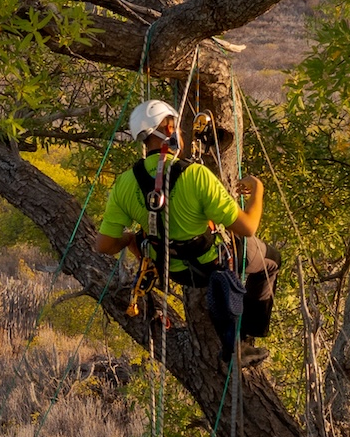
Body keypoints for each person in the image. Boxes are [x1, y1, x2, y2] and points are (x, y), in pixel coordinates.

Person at [91, 98, 263, 346]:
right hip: (211, 265)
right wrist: (258, 190)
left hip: (174, 270)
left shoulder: (125, 183)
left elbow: (104, 245)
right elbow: (248, 227)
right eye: (178, 128)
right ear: (169, 130)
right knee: (271, 260)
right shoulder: (196, 175)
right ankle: (247, 333)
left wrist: (130, 239)